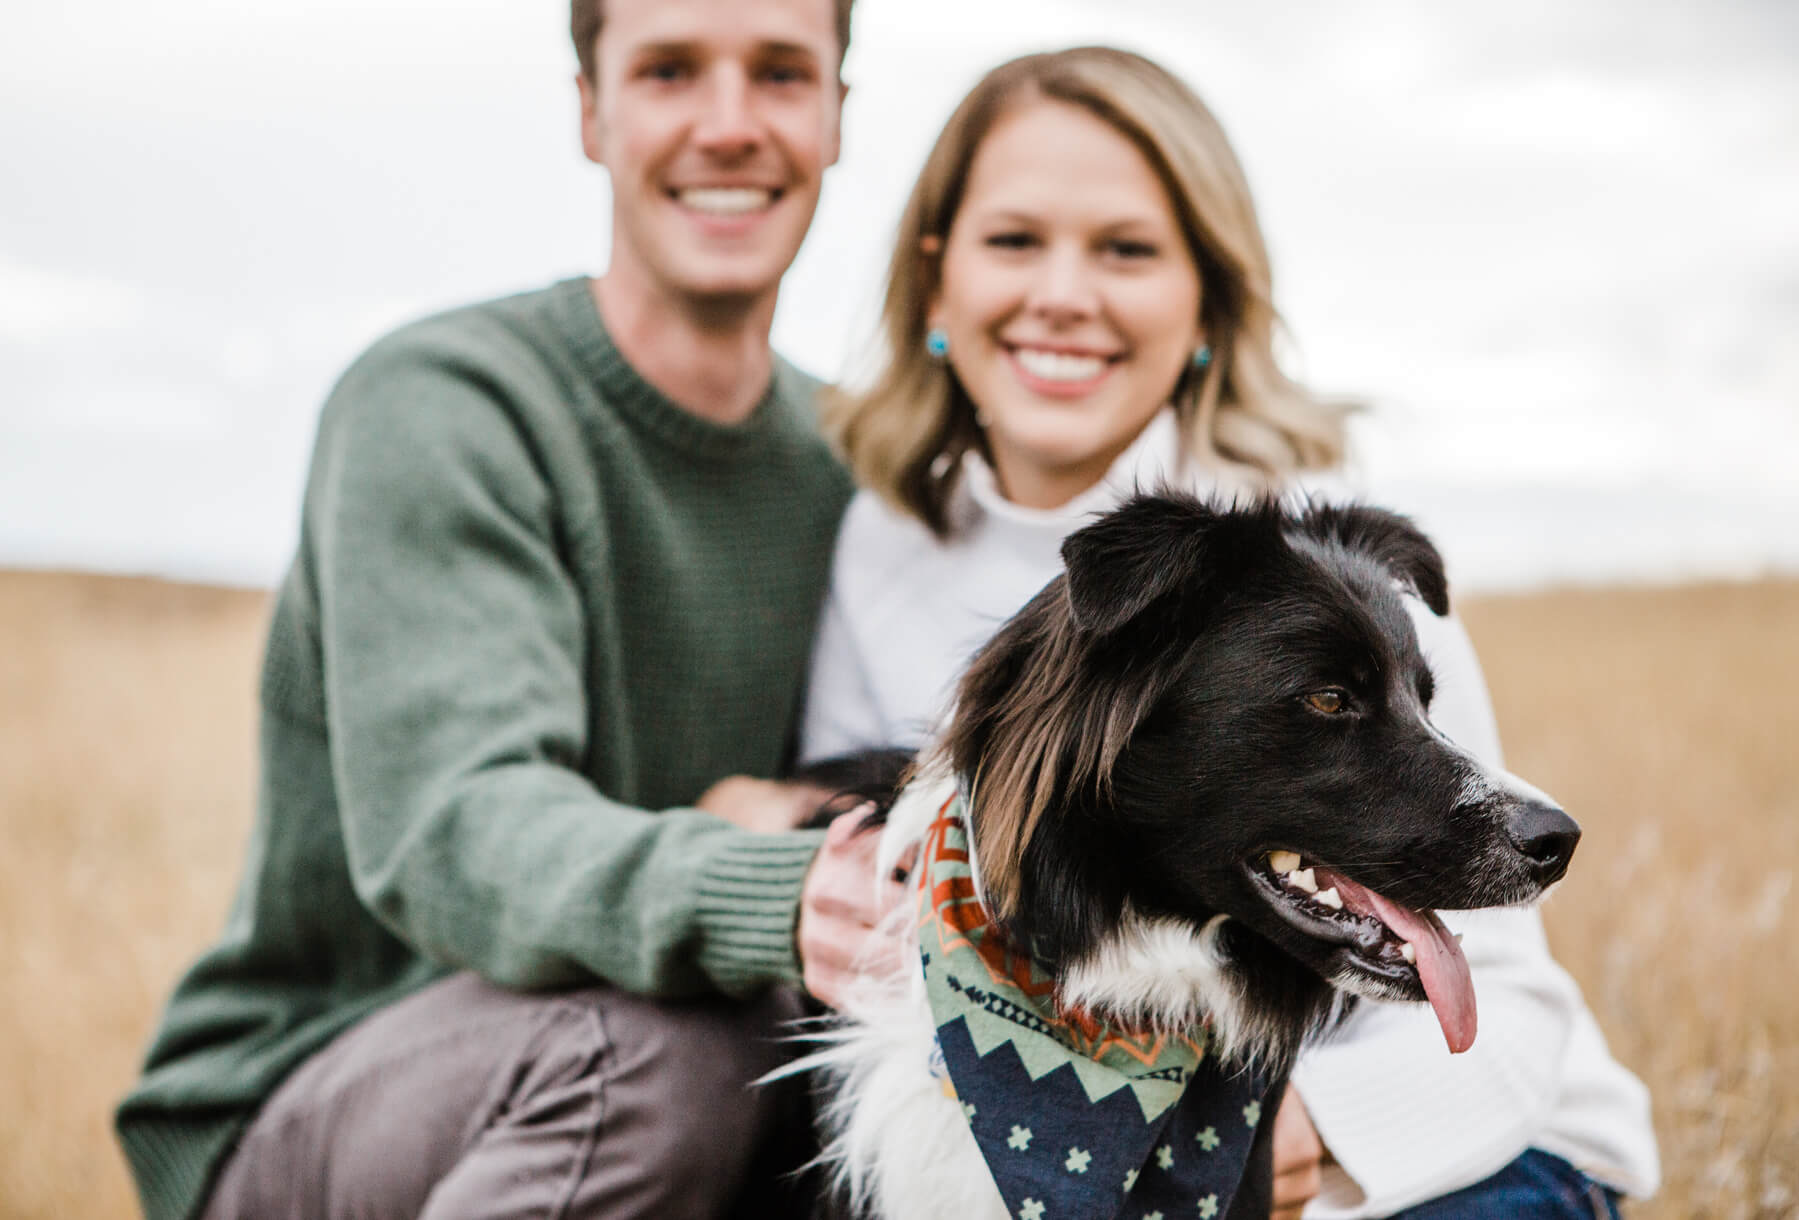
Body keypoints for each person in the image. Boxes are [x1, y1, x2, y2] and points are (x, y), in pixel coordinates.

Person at [799, 47, 1661, 1219]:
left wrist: (1303, 1133)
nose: (1064, 292)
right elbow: (861, 840)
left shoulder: (1319, 556)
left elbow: (1511, 1004)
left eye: (1128, 248)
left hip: (1459, 1163)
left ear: (1206, 294)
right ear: (935, 279)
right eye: (1014, 241)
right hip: (1037, 1122)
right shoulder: (882, 542)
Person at [114, 2, 898, 1218]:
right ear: (591, 110)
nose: (731, 124)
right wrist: (773, 885)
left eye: (783, 73)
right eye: (672, 71)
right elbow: (460, 826)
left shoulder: (855, 465)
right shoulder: (444, 407)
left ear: (840, 113)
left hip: (699, 1080)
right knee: (658, 1051)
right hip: (326, 1090)